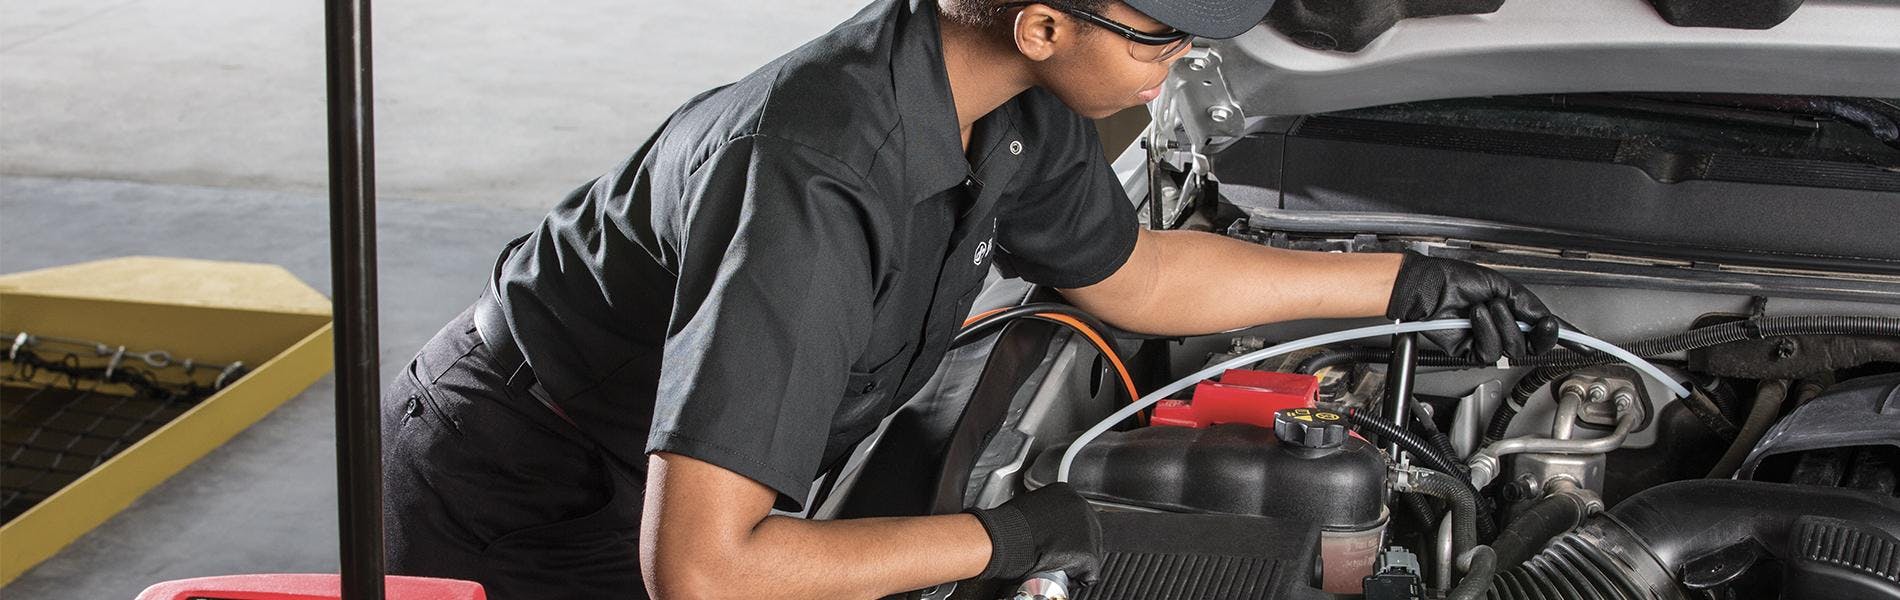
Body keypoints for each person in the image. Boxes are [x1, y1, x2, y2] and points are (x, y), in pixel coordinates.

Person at [380, 0, 1569, 597]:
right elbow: (704, 572)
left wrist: (1407, 282)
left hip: (680, 468)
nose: (1183, 66)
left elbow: (1135, 275)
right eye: (1169, 43)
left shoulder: (1017, 102)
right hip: (533, 484)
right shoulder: (819, 176)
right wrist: (1026, 534)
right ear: (1046, 22)